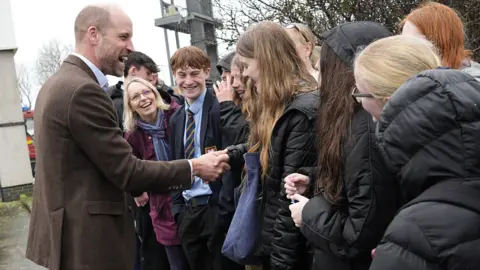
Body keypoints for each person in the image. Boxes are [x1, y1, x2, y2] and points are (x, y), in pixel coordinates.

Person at [26, 5, 230, 270]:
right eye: (123, 37)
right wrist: (195, 167)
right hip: (89, 243)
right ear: (93, 34)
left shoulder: (58, 83)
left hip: (71, 236)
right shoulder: (82, 90)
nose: (131, 46)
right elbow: (127, 170)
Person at [354, 34, 480, 270]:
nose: (359, 103)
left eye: (360, 93)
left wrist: (400, 252)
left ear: (389, 101)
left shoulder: (416, 229)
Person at [284, 22, 398, 270]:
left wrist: (308, 214)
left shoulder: (365, 129)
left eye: (324, 67)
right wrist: (314, 180)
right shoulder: (354, 120)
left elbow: (360, 235)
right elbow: (356, 185)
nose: (319, 75)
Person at [226, 21, 318, 269]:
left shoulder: (300, 113)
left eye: (246, 65)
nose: (244, 74)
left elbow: (288, 202)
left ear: (266, 59)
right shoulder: (283, 106)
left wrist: (279, 263)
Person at [168, 46, 230, 270]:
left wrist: (223, 211)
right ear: (174, 76)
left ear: (206, 72)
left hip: (215, 210)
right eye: (182, 75)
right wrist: (178, 211)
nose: (188, 81)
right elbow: (176, 162)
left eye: (194, 73)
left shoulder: (219, 108)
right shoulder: (176, 119)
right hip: (188, 213)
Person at [124, 77, 189, 270]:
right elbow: (129, 169)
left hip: (190, 202)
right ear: (131, 106)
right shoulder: (132, 135)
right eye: (135, 97)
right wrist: (137, 191)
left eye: (146, 92)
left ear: (155, 94)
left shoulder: (177, 117)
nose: (143, 99)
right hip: (163, 208)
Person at [400, 2, 480, 81]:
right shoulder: (415, 79)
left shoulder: (472, 83)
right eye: (404, 41)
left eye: (413, 41)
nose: (407, 49)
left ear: (441, 40)